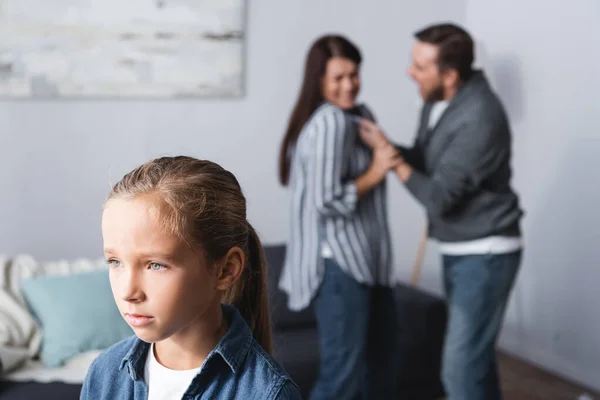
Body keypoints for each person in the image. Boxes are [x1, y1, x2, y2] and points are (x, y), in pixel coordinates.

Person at [359, 23, 524, 400]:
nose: (409, 72)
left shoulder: (480, 116)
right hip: (460, 247)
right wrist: (386, 145)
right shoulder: (436, 101)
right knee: (475, 365)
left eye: (419, 66)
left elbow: (440, 197)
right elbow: (428, 160)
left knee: (459, 369)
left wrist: (392, 163)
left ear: (449, 75)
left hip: (485, 254)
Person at [80, 156, 301, 400]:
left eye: (155, 265)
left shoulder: (268, 393)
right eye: (115, 262)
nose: (128, 292)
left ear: (225, 270)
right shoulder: (104, 373)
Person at [277, 34, 401, 400]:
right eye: (338, 77)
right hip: (339, 263)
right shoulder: (330, 122)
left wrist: (381, 148)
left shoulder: (357, 115)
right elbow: (325, 200)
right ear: (319, 80)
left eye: (354, 74)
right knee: (343, 376)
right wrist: (377, 170)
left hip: (367, 259)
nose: (349, 84)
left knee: (380, 365)